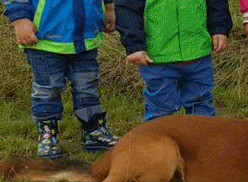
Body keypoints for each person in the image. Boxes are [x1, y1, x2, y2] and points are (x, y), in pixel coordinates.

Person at [1, 0, 120, 159]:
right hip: (45, 36)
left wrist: (109, 8)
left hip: (86, 35)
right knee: (48, 89)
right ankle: (47, 135)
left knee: (88, 85)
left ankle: (93, 131)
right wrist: (19, 19)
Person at [114, 0, 233, 121]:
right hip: (157, 58)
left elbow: (217, 2)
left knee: (201, 106)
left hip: (198, 53)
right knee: (160, 108)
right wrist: (134, 45)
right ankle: (159, 137)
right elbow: (126, 8)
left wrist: (219, 28)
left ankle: (201, 138)